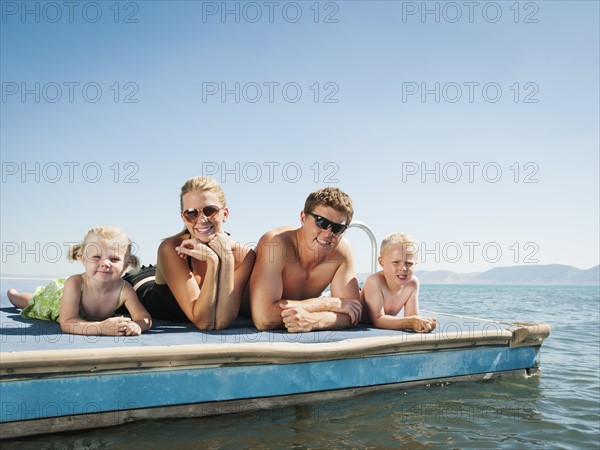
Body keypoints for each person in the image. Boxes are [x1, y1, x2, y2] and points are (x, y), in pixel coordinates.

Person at [124, 176, 255, 330]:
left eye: (210, 211)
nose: (202, 220)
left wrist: (226, 258)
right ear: (183, 218)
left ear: (225, 214)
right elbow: (204, 322)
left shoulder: (244, 256)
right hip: (143, 283)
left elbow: (221, 322)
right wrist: (213, 261)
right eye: (191, 213)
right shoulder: (171, 248)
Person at [250, 187, 362, 332]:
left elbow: (353, 313)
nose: (328, 233)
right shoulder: (276, 243)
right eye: (321, 222)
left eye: (337, 228)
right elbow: (264, 318)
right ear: (303, 218)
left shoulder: (341, 251)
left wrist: (314, 321)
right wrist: (328, 304)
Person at [7, 226, 152, 336]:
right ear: (83, 258)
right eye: (96, 257)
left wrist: (137, 325)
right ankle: (14, 296)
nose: (105, 263)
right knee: (34, 301)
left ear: (125, 265)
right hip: (54, 301)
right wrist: (100, 328)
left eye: (114, 259)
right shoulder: (75, 283)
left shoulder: (125, 289)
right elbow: (67, 322)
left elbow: (143, 317)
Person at [360, 232, 436, 332]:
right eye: (396, 262)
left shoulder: (412, 283)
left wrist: (422, 324)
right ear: (381, 262)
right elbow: (378, 320)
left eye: (409, 263)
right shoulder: (374, 281)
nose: (403, 268)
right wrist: (410, 322)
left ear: (415, 264)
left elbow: (411, 317)